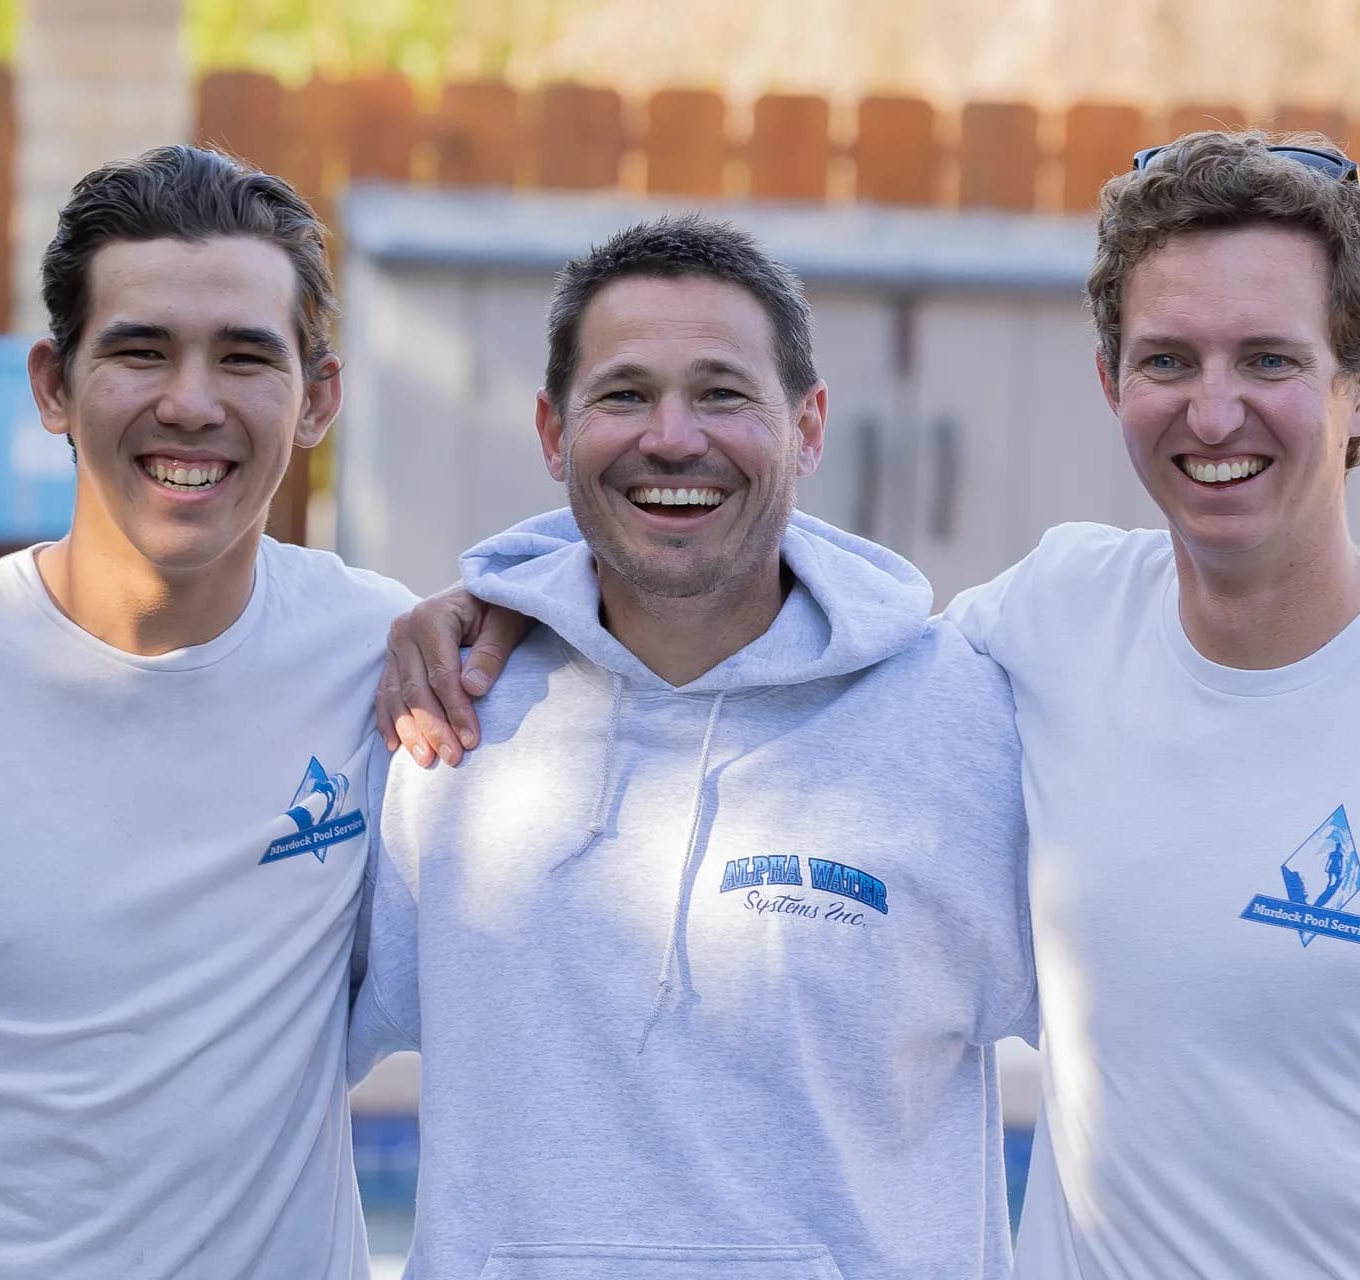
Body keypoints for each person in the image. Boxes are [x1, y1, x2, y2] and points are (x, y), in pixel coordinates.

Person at [379, 132, 1360, 1278]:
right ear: (1113, 380)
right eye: (1169, 358)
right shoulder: (1049, 624)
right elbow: (785, 624)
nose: (1215, 408)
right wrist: (519, 595)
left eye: (1271, 360)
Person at [347, 216, 1037, 1278]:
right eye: (624, 394)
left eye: (722, 393)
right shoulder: (441, 715)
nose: (673, 437)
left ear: (808, 427)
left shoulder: (968, 721)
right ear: (551, 431)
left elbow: (1151, 1063)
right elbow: (268, 1049)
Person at [0, 146, 415, 1278]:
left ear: (316, 398)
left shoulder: (384, 653)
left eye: (243, 356)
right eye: (139, 349)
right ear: (53, 385)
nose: (190, 400)